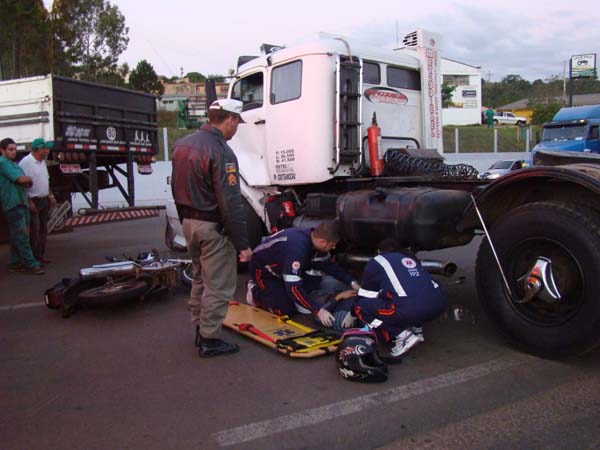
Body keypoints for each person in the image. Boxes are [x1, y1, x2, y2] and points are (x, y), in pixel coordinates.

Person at [171, 99, 252, 358]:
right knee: (218, 285)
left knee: (199, 278)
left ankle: (200, 327)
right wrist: (243, 245)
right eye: (237, 123)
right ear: (229, 120)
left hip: (189, 224)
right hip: (212, 227)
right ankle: (210, 339)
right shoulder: (222, 151)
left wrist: (185, 219)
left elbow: (175, 187)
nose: (236, 129)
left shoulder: (182, 145)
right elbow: (230, 203)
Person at [344, 238, 446, 357]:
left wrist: (352, 312)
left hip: (412, 309)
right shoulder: (409, 258)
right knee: (412, 295)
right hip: (439, 303)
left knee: (361, 307)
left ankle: (403, 336)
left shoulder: (378, 261)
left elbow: (366, 294)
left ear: (378, 251)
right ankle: (416, 329)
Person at [248, 221, 358, 327]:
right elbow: (293, 288)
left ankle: (284, 292)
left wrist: (351, 281)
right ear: (322, 241)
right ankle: (254, 291)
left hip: (284, 268)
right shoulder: (297, 248)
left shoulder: (314, 242)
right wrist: (318, 310)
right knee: (284, 310)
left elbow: (329, 266)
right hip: (264, 271)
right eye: (332, 245)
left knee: (311, 287)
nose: (333, 248)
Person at [0, 138, 43, 275]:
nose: (13, 152)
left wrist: (27, 181)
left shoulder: (14, 164)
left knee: (16, 235)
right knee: (22, 235)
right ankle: (32, 264)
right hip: (12, 204)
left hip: (21, 202)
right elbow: (21, 179)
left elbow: (26, 182)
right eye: (10, 149)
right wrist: (27, 179)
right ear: (2, 150)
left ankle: (14, 262)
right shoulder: (2, 163)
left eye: (14, 149)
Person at [19, 138, 56, 265]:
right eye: (46, 148)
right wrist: (29, 202)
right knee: (34, 230)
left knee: (43, 229)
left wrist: (50, 196)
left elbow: (47, 180)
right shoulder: (26, 162)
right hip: (34, 200)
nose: (48, 151)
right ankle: (32, 258)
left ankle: (40, 255)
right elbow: (22, 185)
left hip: (44, 199)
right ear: (38, 149)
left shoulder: (42, 162)